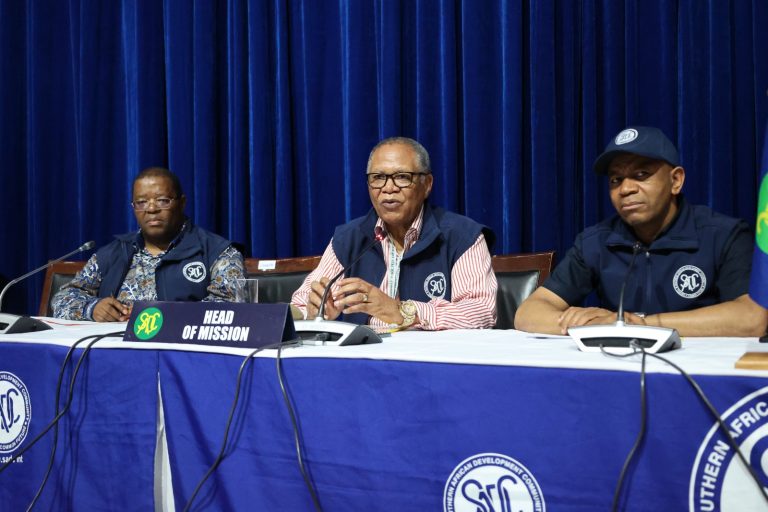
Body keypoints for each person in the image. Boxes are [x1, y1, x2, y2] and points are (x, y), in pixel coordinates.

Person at [515, 126, 768, 337]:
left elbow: (752, 317)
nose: (626, 189)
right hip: (617, 367)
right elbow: (528, 313)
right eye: (616, 180)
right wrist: (589, 324)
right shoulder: (596, 241)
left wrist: (637, 325)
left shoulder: (723, 235)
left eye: (641, 174)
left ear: (676, 180)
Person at [291, 137, 497, 330]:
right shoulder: (349, 238)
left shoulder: (462, 236)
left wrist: (403, 312)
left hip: (430, 354)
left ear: (427, 184)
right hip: (363, 352)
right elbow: (300, 304)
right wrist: (314, 311)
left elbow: (481, 312)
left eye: (402, 177)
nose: (388, 188)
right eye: (378, 178)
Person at [52, 167, 245, 322]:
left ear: (182, 203)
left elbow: (231, 308)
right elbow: (63, 298)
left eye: (162, 201)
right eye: (141, 202)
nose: (151, 209)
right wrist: (92, 309)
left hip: (181, 354)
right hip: (114, 351)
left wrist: (160, 317)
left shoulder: (218, 252)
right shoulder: (114, 252)